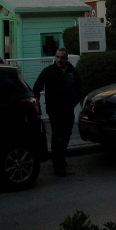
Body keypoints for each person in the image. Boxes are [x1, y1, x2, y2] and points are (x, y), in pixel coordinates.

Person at [32, 47, 81, 177]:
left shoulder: (72, 71)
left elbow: (79, 87)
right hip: (54, 109)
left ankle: (61, 159)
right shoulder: (48, 71)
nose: (59, 60)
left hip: (68, 109)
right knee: (58, 135)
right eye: (57, 57)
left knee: (66, 134)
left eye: (62, 57)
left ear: (66, 58)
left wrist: (74, 101)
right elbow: (36, 88)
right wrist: (37, 105)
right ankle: (57, 164)